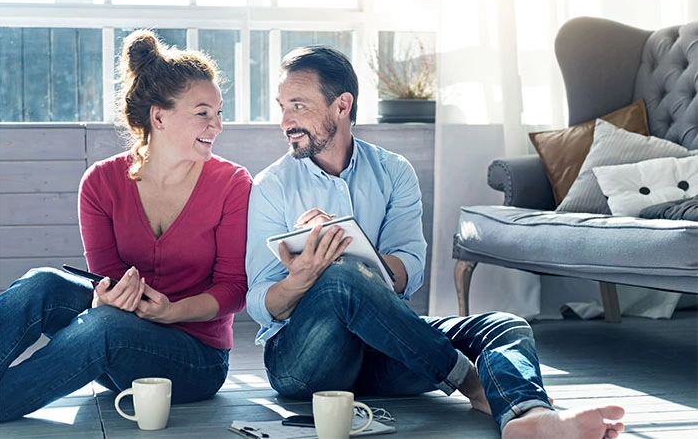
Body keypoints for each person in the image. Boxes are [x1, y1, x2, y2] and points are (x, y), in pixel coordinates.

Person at [245, 45, 625, 439]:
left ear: (342, 106)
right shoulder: (272, 186)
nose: (285, 120)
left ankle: (527, 416)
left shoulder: (393, 172)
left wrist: (350, 252)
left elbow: (408, 272)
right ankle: (473, 385)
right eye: (282, 106)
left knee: (504, 326)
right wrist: (303, 278)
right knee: (340, 277)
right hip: (305, 363)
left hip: (385, 351)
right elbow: (259, 301)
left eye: (298, 106)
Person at [0, 30, 252, 423]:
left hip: (194, 358)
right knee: (41, 283)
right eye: (203, 112)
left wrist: (171, 312)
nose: (217, 125)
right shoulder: (100, 182)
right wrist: (106, 297)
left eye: (219, 112)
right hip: (115, 334)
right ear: (159, 116)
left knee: (104, 327)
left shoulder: (232, 184)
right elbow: (109, 280)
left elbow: (235, 290)